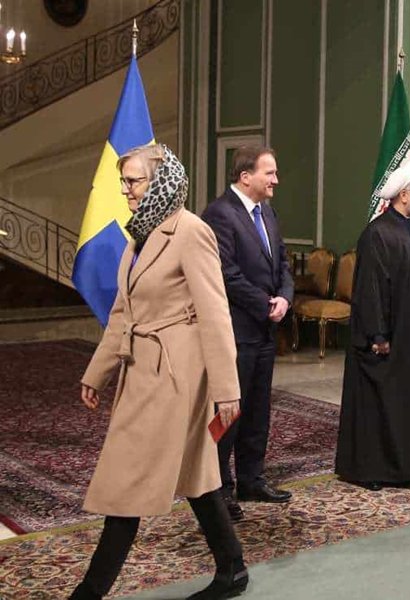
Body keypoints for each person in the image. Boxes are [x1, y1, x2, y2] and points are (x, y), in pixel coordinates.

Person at [70, 145, 248, 600]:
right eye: (124, 181)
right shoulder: (140, 235)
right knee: (197, 476)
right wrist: (97, 373)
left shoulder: (191, 231)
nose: (125, 190)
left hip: (176, 376)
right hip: (142, 369)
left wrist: (227, 390)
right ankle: (233, 569)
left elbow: (215, 315)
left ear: (162, 182)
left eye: (133, 181)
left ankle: (89, 592)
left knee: (126, 478)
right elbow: (122, 313)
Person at [335, 160, 410, 490]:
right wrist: (378, 333)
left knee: (409, 404)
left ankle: (408, 465)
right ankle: (371, 470)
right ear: (403, 195)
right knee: (380, 405)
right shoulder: (377, 233)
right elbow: (369, 289)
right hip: (389, 339)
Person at [201, 146, 295, 521]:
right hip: (234, 332)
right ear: (245, 177)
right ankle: (217, 489)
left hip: (265, 332)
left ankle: (251, 479)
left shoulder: (267, 212)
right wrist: (264, 303)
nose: (276, 180)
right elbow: (225, 273)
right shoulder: (219, 214)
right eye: (269, 173)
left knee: (257, 410)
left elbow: (283, 262)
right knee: (227, 413)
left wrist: (285, 297)